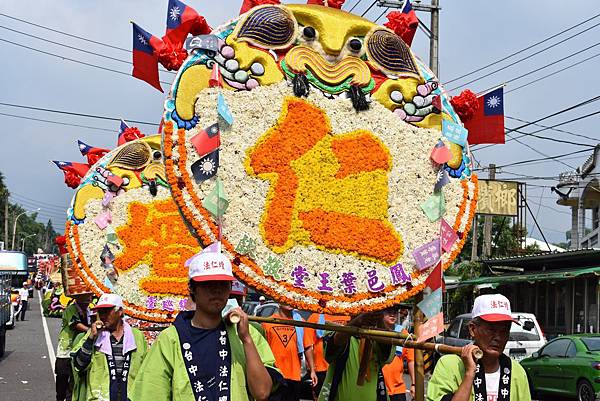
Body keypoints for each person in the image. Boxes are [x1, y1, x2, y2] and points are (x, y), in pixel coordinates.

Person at [131, 249, 281, 401]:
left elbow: (262, 393)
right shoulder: (170, 339)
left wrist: (246, 339)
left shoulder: (245, 334)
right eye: (208, 283)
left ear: (230, 288)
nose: (216, 290)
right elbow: (151, 393)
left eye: (223, 284)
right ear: (192, 288)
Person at [427, 294, 531, 401]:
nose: (498, 337)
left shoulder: (516, 371)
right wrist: (469, 373)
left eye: (504, 331)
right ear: (472, 329)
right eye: (491, 330)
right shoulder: (450, 365)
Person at [71, 293, 148, 401]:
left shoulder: (137, 337)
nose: (102, 315)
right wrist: (90, 339)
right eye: (100, 312)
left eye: (107, 311)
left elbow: (146, 371)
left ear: (120, 311)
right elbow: (78, 365)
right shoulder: (94, 335)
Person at [317, 311, 395, 401]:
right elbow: (334, 344)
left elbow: (387, 348)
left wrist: (379, 320)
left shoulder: (379, 337)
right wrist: (357, 322)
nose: (366, 313)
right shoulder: (338, 330)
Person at [262, 304, 317, 401]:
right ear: (279, 302)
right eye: (285, 299)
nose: (289, 303)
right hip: (275, 375)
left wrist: (312, 370)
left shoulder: (301, 322)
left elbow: (308, 347)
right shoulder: (268, 323)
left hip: (294, 375)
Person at [55, 292, 93, 401]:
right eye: (85, 301)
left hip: (80, 350)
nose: (87, 303)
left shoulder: (89, 310)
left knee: (74, 381)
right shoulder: (70, 310)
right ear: (78, 300)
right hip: (66, 350)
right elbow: (75, 324)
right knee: (62, 379)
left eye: (88, 301)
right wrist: (90, 331)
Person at [304, 313, 351, 400]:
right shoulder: (315, 317)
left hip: (344, 369)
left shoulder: (350, 316)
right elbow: (308, 345)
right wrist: (312, 370)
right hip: (321, 370)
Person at [382, 306, 415, 401]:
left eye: (395, 311)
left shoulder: (403, 333)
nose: (392, 314)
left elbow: (411, 360)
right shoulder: (374, 331)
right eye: (388, 311)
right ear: (381, 313)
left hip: (398, 389)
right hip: (378, 386)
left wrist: (413, 384)